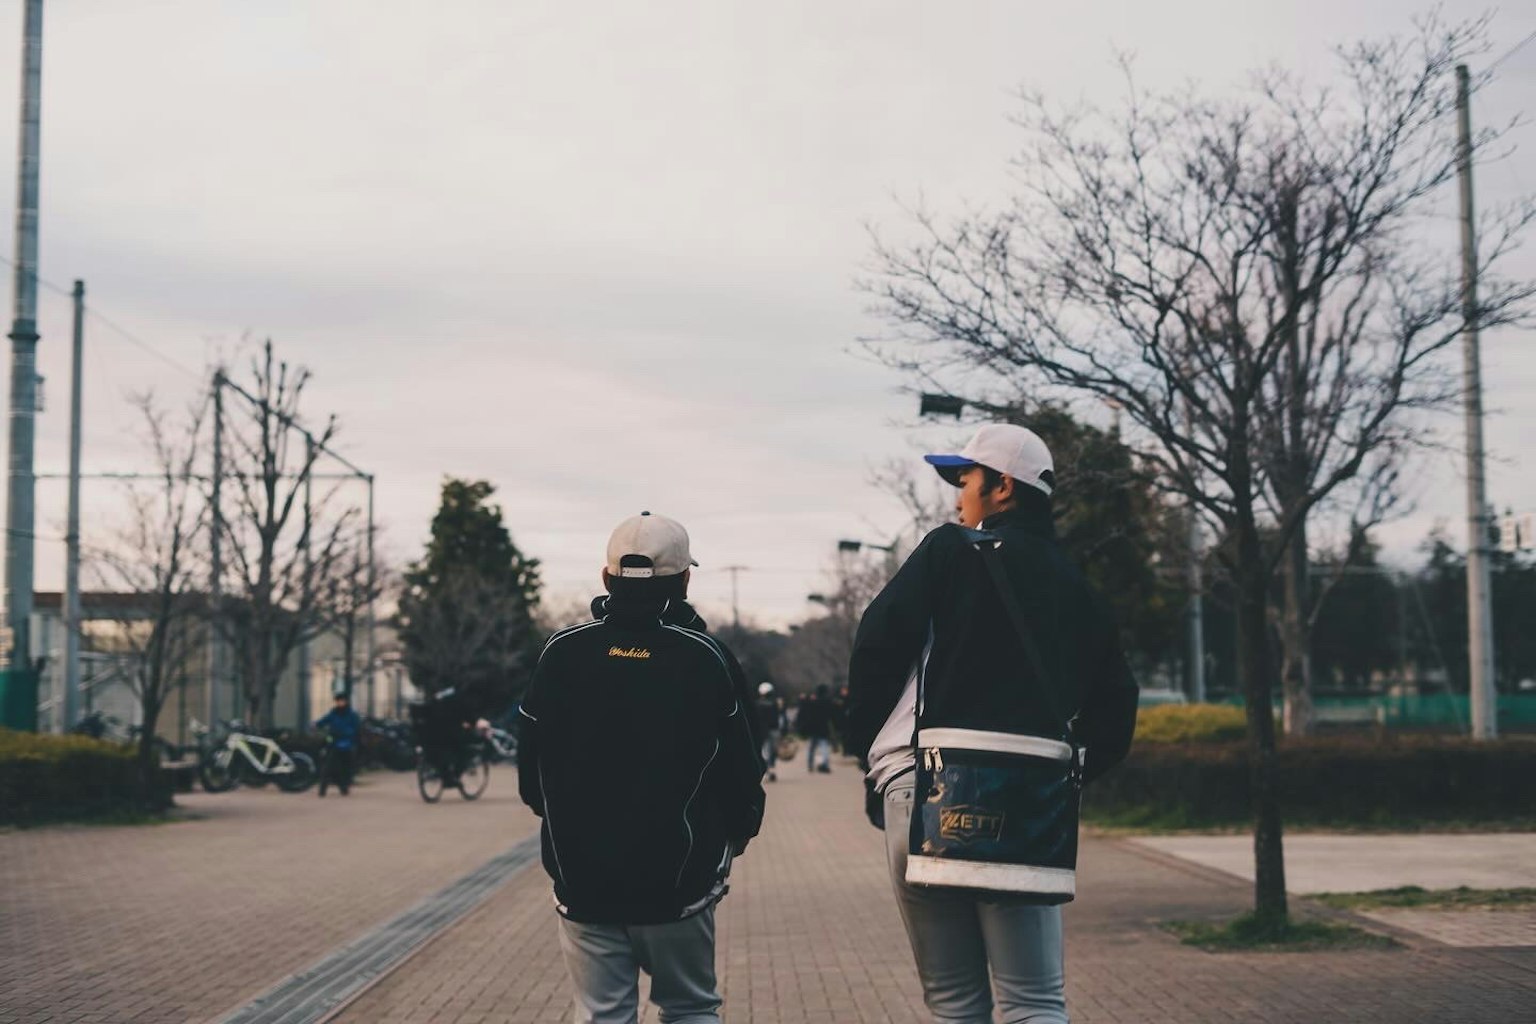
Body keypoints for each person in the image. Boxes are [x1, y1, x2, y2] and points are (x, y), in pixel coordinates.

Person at [846, 423, 1139, 1024]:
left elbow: (875, 648)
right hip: (1027, 796)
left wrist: (866, 759)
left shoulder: (951, 551)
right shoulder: (1079, 588)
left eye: (966, 479)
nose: (959, 496)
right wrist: (1067, 772)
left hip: (925, 787)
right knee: (1033, 1001)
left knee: (955, 1002)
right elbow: (1117, 707)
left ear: (1003, 486)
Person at [518, 511, 766, 1024]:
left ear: (606, 577)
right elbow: (742, 768)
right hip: (680, 875)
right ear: (685, 580)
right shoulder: (704, 657)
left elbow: (530, 767)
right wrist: (737, 835)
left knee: (603, 1014)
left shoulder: (562, 653)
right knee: (690, 1008)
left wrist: (559, 820)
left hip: (580, 875)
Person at [314, 693, 362, 797]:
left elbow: (355, 729)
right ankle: (323, 790)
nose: (340, 703)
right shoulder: (333, 713)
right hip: (334, 744)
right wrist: (315, 724)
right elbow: (322, 721)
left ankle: (343, 787)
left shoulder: (352, 715)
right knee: (328, 767)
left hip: (347, 745)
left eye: (342, 701)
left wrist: (345, 734)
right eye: (338, 701)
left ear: (346, 702)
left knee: (344, 768)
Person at [796, 684, 835, 773]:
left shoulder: (812, 700)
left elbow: (804, 708)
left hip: (812, 727)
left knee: (811, 748)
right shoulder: (827, 701)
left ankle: (810, 765)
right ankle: (825, 763)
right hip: (823, 727)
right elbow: (831, 714)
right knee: (824, 746)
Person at [753, 682, 787, 782]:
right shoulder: (776, 703)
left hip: (763, 731)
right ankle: (771, 770)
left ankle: (767, 771)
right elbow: (781, 718)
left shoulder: (757, 704)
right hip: (774, 730)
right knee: (773, 752)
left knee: (765, 752)